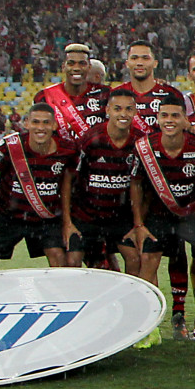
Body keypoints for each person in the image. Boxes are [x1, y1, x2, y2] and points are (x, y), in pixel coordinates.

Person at [132, 98, 195, 347]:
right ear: (157, 120)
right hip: (160, 215)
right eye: (165, 116)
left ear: (185, 120)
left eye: (175, 116)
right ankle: (149, 328)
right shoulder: (144, 147)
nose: (169, 120)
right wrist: (139, 224)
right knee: (147, 260)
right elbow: (136, 184)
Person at [0, 102, 76, 272]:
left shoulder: (67, 150)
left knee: (59, 258)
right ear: (26, 123)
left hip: (45, 218)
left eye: (46, 122)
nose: (40, 127)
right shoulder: (10, 147)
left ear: (54, 125)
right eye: (35, 122)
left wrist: (67, 221)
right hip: (5, 215)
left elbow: (68, 180)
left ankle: (59, 297)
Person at [62, 87, 143, 278]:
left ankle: (130, 305)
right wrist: (67, 222)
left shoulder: (139, 142)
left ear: (135, 111)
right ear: (107, 110)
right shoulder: (91, 139)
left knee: (134, 259)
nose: (123, 114)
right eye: (117, 109)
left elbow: (141, 185)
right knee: (72, 262)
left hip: (120, 217)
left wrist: (138, 223)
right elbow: (68, 179)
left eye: (128, 109)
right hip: (86, 215)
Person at [35, 42, 106, 144]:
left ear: (89, 67)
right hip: (60, 158)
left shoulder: (106, 94)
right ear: (63, 67)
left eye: (82, 63)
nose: (76, 68)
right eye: (71, 63)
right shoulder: (44, 97)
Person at [116, 40, 188, 134]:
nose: (139, 63)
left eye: (145, 58)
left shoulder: (171, 94)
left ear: (155, 63)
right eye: (134, 58)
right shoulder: (116, 95)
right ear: (127, 64)